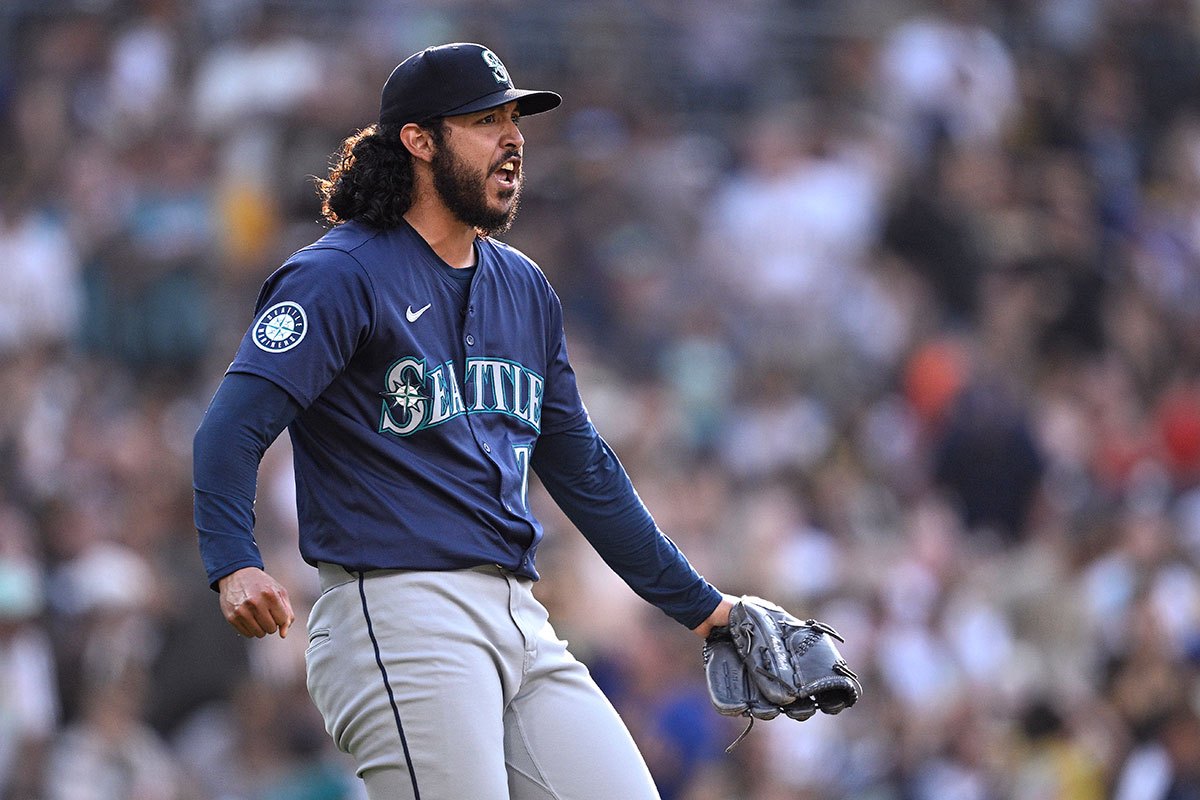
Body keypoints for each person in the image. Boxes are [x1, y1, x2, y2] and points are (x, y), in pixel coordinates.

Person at [193, 43, 735, 799]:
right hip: (397, 610)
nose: (513, 139)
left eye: (515, 120)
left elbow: (585, 473)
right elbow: (230, 426)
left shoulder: (526, 288)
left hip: (520, 616)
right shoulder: (339, 274)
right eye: (485, 121)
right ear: (418, 140)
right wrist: (234, 559)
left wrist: (710, 611)